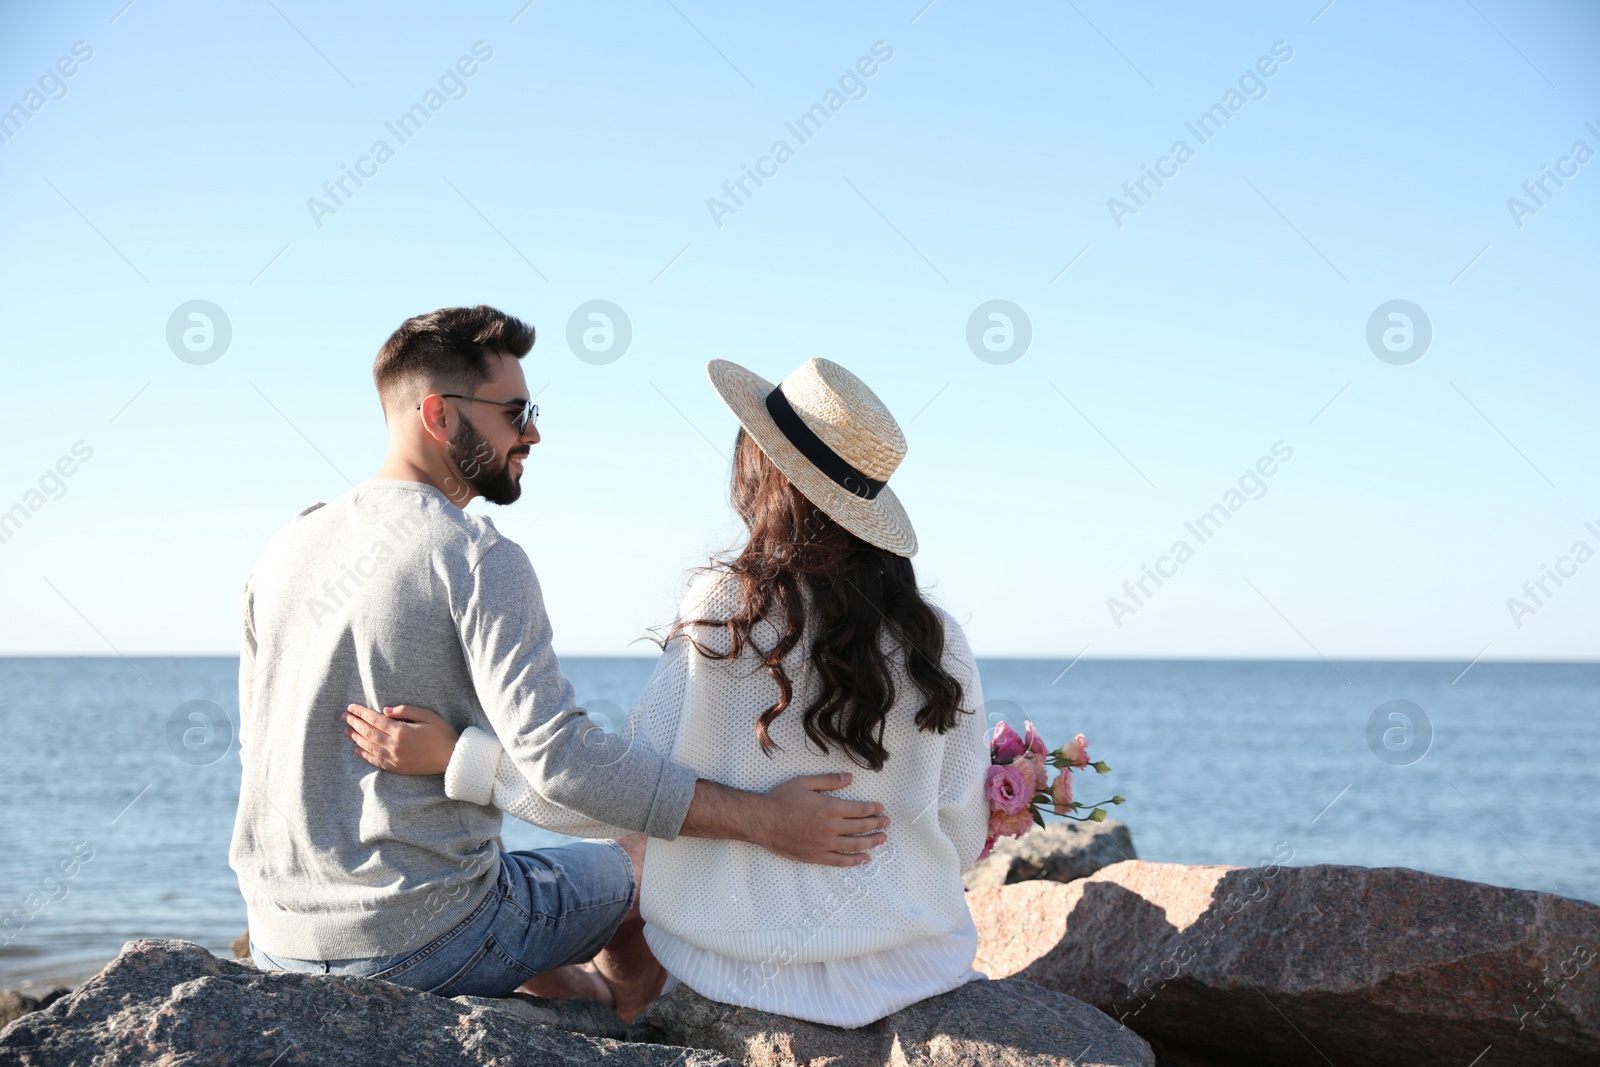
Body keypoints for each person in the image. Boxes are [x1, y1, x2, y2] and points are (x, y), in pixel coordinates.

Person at [230, 308, 889, 1022]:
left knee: (556, 902)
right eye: (516, 412)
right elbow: (564, 759)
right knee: (646, 866)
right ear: (438, 415)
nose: (533, 432)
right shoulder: (477, 556)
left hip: (278, 935)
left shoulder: (285, 547)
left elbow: (262, 749)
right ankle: (624, 1031)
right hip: (422, 935)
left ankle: (577, 1005)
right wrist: (762, 819)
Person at [345, 356, 990, 1028]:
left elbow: (619, 795)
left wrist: (464, 760)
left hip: (744, 975)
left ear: (761, 472)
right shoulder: (938, 637)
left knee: (642, 851)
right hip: (918, 968)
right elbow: (964, 836)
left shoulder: (728, 611)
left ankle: (615, 1007)